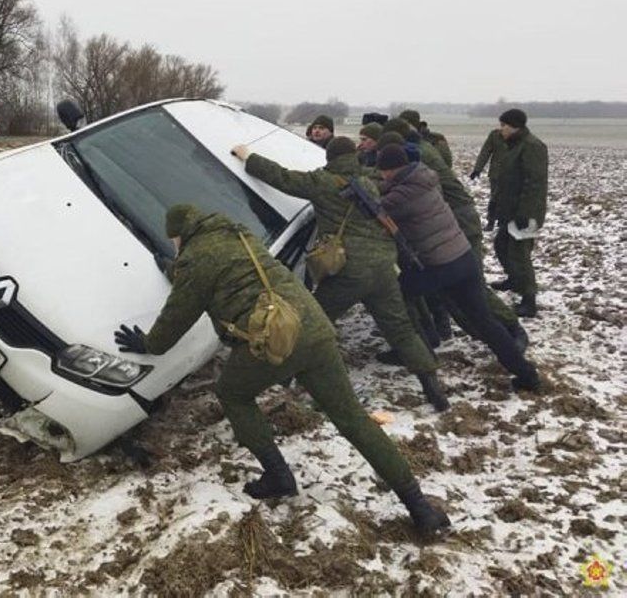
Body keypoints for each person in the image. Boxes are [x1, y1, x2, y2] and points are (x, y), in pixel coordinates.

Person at [113, 204, 450, 536]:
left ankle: (277, 476)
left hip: (274, 341)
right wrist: (178, 271)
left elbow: (178, 315)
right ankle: (419, 506)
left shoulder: (195, 258)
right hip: (313, 327)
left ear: (179, 236)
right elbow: (227, 272)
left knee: (233, 394)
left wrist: (148, 344)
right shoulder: (240, 235)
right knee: (353, 419)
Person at [232, 137, 448, 411]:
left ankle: (288, 376)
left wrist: (247, 157)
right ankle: (432, 387)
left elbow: (282, 178)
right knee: (401, 329)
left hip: (350, 271)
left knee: (313, 321)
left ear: (330, 158)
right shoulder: (368, 180)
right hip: (383, 267)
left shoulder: (324, 182)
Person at [375, 145, 541, 393]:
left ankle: (420, 348)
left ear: (390, 170)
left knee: (397, 293)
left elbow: (376, 206)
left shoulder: (403, 196)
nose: (382, 176)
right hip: (463, 258)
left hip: (440, 266)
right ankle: (527, 374)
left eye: (382, 171)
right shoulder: (424, 179)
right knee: (485, 321)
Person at [378, 121, 528, 350]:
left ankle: (511, 328)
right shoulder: (413, 156)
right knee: (452, 289)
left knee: (470, 287)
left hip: (457, 221)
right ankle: (461, 329)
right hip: (445, 221)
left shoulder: (418, 159)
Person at [491, 109, 548, 318]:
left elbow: (534, 184)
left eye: (504, 125)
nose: (501, 129)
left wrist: (526, 214)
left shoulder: (532, 147)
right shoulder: (514, 146)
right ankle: (515, 280)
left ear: (515, 126)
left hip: (525, 213)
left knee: (520, 255)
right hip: (510, 211)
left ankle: (529, 300)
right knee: (501, 245)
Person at [470, 128, 507, 231]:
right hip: (496, 173)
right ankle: (491, 222)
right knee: (494, 198)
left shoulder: (519, 137)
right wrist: (477, 169)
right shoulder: (495, 135)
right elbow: (485, 152)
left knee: (509, 199)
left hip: (513, 174)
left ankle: (503, 222)